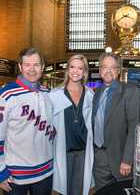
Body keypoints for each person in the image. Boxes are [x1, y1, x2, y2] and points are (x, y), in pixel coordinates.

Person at [0, 47, 56, 195]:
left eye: (36, 65)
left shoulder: (47, 93)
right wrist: (1, 171)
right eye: (27, 65)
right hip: (16, 175)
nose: (32, 69)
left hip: (45, 172)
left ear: (42, 67)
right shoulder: (6, 94)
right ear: (20, 67)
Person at [92, 52, 140, 191]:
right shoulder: (96, 92)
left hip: (120, 158)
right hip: (99, 158)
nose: (108, 71)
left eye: (113, 67)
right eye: (104, 67)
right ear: (99, 70)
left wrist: (127, 160)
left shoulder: (130, 91)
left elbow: (136, 127)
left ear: (119, 71)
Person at [48, 54, 94, 195]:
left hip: (83, 152)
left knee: (79, 190)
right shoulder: (55, 94)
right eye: (72, 67)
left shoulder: (90, 94)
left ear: (85, 72)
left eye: (80, 68)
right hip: (62, 151)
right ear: (67, 69)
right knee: (61, 190)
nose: (76, 71)